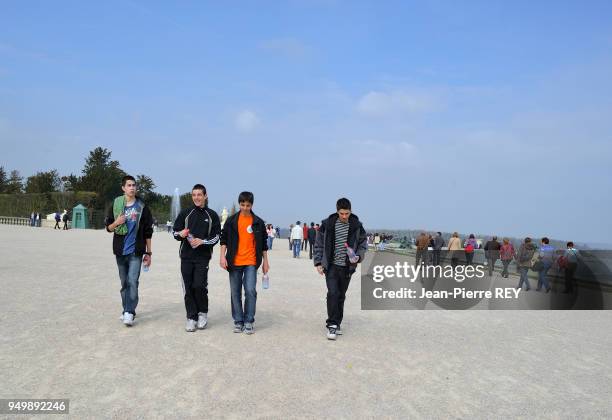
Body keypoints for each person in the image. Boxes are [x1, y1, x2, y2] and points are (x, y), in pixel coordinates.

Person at [313, 198, 367, 341]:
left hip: (347, 268)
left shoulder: (357, 225)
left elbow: (363, 244)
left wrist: (358, 257)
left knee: (341, 295)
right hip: (331, 266)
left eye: (347, 213)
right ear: (337, 211)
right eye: (342, 213)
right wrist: (318, 262)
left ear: (350, 211)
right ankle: (332, 324)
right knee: (333, 293)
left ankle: (337, 322)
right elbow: (318, 244)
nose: (344, 216)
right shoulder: (327, 224)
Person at [104, 175, 153, 327]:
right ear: (123, 188)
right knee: (124, 283)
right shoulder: (116, 204)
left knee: (132, 281)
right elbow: (108, 228)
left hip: (136, 252)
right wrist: (117, 222)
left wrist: (149, 253)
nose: (132, 187)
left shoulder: (142, 207)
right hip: (120, 251)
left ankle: (129, 312)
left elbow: (148, 231)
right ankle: (126, 308)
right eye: (129, 185)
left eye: (134, 185)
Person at [172, 184, 221, 332]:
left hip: (203, 258)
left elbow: (217, 237)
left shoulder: (211, 215)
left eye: (199, 195)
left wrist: (202, 241)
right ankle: (191, 317)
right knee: (187, 288)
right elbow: (175, 232)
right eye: (194, 195)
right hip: (186, 256)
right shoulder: (186, 213)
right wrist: (180, 234)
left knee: (199, 286)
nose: (196, 198)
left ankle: (202, 313)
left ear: (205, 196)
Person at [219, 191, 269, 334]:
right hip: (234, 261)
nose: (245, 208)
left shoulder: (258, 222)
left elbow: (264, 244)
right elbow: (224, 240)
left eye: (248, 205)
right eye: (242, 205)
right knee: (235, 292)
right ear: (239, 204)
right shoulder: (231, 221)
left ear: (252, 205)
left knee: (250, 291)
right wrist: (222, 257)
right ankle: (238, 320)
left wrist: (266, 262)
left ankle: (248, 320)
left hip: (251, 262)